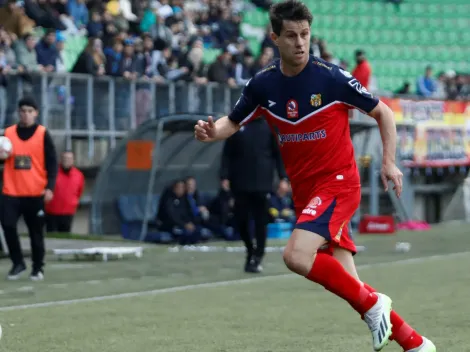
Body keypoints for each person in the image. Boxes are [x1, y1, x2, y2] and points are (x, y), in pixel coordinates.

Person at [193, 1, 435, 351]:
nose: (300, 43)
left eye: (305, 34)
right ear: (275, 38)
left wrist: (389, 162)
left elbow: (383, 113)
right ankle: (414, 343)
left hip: (338, 183)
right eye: (291, 36)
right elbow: (231, 122)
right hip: (306, 193)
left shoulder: (331, 78)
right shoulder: (262, 85)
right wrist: (210, 131)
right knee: (351, 285)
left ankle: (376, 306)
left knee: (295, 256)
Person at [220, 117, 288, 273]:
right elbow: (227, 153)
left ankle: (258, 255)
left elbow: (278, 154)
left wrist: (283, 177)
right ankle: (250, 249)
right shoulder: (237, 125)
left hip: (262, 183)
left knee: (261, 221)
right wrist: (224, 176)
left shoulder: (270, 126)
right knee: (241, 220)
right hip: (240, 182)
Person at [1, 96, 58, 281]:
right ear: (18, 112)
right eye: (23, 111)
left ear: (36, 113)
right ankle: (18, 263)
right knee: (8, 225)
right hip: (12, 192)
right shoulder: (8, 134)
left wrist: (49, 187)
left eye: (30, 111)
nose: (26, 115)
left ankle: (37, 267)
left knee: (36, 233)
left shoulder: (42, 134)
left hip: (35, 193)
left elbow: (52, 162)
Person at [45, 150, 85, 233]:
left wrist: (74, 203)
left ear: (73, 160)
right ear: (61, 160)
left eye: (69, 159)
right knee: (52, 236)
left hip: (68, 211)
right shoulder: (53, 173)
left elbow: (79, 191)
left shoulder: (78, 175)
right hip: (52, 211)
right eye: (65, 158)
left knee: (66, 235)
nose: (67, 161)